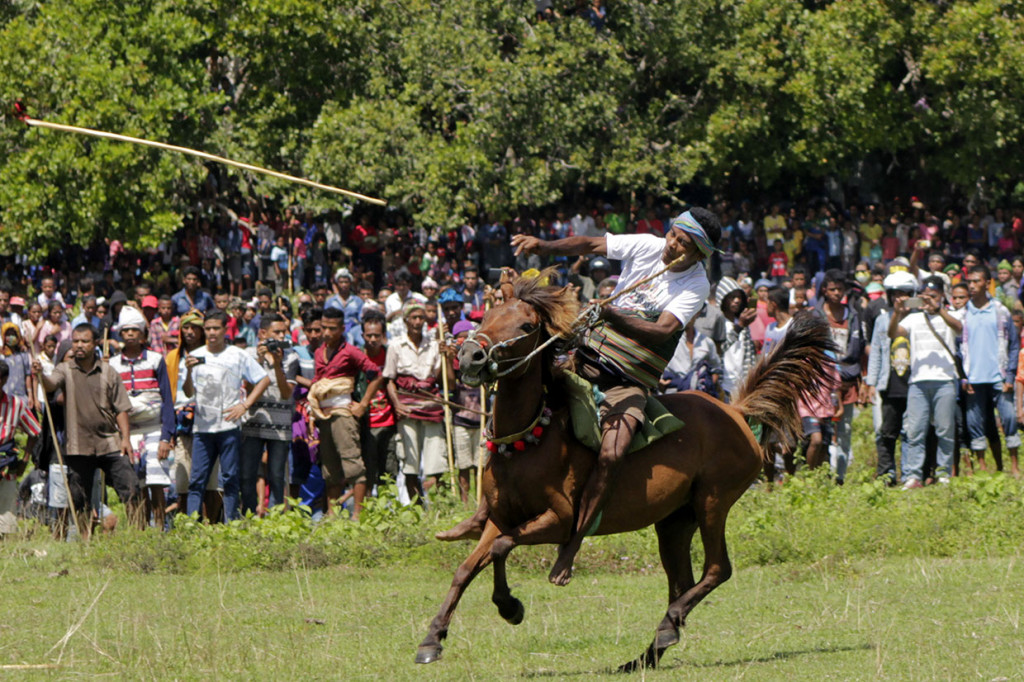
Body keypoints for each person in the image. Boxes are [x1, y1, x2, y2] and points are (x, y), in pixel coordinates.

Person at [463, 206, 720, 586]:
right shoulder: (648, 245)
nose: (673, 247)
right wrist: (544, 245)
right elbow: (592, 242)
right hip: (584, 358)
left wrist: (613, 315)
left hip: (627, 380)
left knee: (613, 451)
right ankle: (486, 510)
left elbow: (662, 329)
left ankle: (572, 545)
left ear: (699, 254)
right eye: (673, 236)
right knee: (516, 398)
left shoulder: (696, 285)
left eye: (685, 245)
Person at [33, 324, 142, 529]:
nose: (79, 346)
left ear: (95, 344)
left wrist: (126, 439)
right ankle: (85, 542)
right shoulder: (64, 369)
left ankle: (139, 535)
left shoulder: (109, 372)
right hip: (78, 446)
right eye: (76, 341)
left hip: (110, 443)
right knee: (79, 498)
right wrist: (40, 375)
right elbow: (50, 384)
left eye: (84, 341)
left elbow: (121, 409)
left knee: (131, 487)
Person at [183, 311, 271, 521]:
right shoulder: (195, 354)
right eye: (208, 329)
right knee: (196, 480)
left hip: (229, 427)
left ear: (225, 329)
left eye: (216, 328)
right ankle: (191, 525)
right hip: (202, 428)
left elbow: (263, 379)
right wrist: (187, 372)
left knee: (230, 478)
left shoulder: (237, 355)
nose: (212, 333)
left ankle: (230, 523)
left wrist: (245, 404)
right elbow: (187, 392)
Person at [888, 276, 963, 488]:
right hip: (918, 382)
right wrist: (897, 313)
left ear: (942, 295)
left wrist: (938, 309)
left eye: (934, 295)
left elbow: (958, 328)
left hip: (945, 380)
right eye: (926, 296)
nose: (929, 300)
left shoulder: (951, 315)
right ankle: (913, 475)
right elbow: (893, 333)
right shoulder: (913, 318)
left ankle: (943, 473)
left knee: (945, 430)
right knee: (915, 430)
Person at [107, 306, 175, 529]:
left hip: (154, 427)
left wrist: (166, 436)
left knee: (156, 481)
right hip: (128, 432)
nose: (129, 334)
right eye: (125, 330)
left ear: (143, 334)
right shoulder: (113, 364)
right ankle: (139, 529)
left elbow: (167, 399)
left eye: (134, 330)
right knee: (132, 482)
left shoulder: (156, 360)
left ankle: (160, 528)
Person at [310, 307, 383, 518]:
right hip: (324, 414)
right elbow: (319, 383)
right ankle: (332, 515)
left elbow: (376, 375)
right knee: (330, 469)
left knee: (353, 465)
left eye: (332, 329)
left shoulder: (350, 351)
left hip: (343, 413)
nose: (326, 333)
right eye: (323, 327)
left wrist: (363, 404)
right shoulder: (318, 352)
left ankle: (357, 515)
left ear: (342, 329)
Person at [384, 301, 450, 502]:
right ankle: (417, 506)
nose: (418, 321)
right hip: (407, 409)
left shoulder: (432, 345)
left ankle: (438, 505)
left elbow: (440, 378)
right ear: (405, 321)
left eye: (421, 318)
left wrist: (445, 354)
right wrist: (397, 404)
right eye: (414, 318)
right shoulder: (395, 346)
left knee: (436, 460)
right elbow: (389, 380)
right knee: (410, 464)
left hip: (431, 408)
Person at [961, 265, 1020, 476]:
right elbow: (958, 349)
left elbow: (1013, 345)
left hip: (999, 376)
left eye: (977, 281)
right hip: (974, 378)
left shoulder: (1000, 311)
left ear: (987, 284)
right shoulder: (963, 313)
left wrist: (1010, 376)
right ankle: (983, 467)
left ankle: (1014, 466)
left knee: (1009, 419)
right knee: (975, 423)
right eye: (969, 282)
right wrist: (963, 377)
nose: (972, 285)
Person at [240, 313, 298, 516]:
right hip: (254, 422)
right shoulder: (247, 355)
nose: (282, 336)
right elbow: (246, 388)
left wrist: (276, 365)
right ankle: (248, 516)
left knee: (276, 475)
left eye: (284, 332)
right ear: (262, 333)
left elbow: (286, 392)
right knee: (247, 474)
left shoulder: (290, 356)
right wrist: (259, 359)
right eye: (277, 332)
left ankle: (276, 519)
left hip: (280, 426)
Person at [865, 271, 917, 485]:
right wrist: (870, 382)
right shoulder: (882, 320)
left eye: (904, 294)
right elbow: (876, 351)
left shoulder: (919, 318)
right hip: (889, 383)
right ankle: (887, 474)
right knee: (886, 431)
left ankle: (910, 474)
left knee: (911, 432)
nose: (899, 299)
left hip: (914, 384)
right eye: (894, 294)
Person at [0, 359, 42, 536]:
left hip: (6, 462)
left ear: (4, 379)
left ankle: (6, 550)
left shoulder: (16, 404)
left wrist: (25, 459)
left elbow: (34, 431)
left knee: (6, 510)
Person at [360, 314, 398, 490]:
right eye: (369, 335)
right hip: (366, 422)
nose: (373, 339)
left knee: (389, 469)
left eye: (377, 335)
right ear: (362, 336)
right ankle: (367, 508)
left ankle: (387, 508)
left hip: (389, 421)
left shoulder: (391, 355)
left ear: (383, 335)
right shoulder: (357, 357)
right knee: (367, 469)